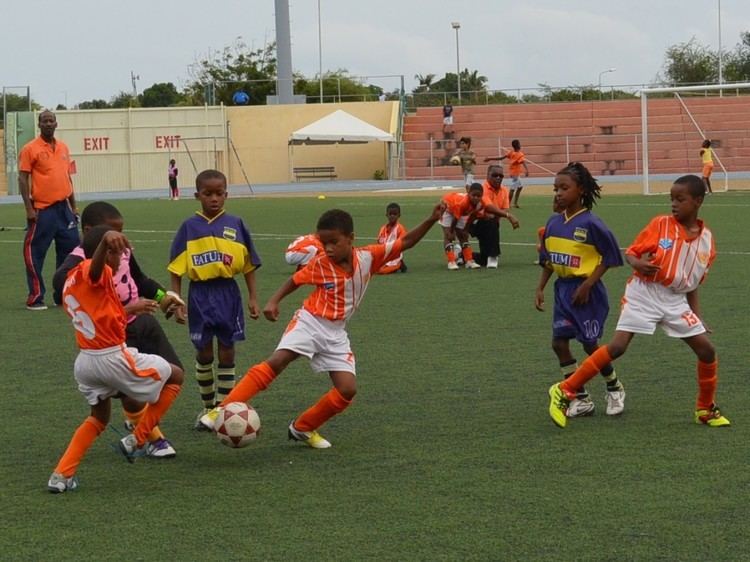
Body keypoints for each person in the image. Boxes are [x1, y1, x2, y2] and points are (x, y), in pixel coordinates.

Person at [199, 203, 444, 448]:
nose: (327, 248)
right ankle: (221, 410)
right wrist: (274, 301)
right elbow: (294, 280)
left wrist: (432, 219)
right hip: (310, 321)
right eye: (323, 242)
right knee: (279, 360)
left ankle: (302, 428)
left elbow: (407, 241)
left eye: (333, 242)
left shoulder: (370, 257)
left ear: (351, 238)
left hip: (336, 333)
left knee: (347, 390)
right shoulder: (320, 264)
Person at [548, 174, 730, 429]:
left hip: (675, 300)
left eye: (680, 199)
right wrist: (639, 264)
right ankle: (565, 390)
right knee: (619, 346)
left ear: (698, 201)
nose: (674, 204)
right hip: (644, 292)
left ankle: (705, 409)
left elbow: (694, 283)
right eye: (671, 199)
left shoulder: (707, 241)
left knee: (707, 351)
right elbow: (631, 254)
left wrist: (696, 314)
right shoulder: (661, 225)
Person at [47, 225, 184, 493]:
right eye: (117, 253)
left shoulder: (71, 280)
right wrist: (104, 247)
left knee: (98, 419)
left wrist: (133, 307)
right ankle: (138, 438)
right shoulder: (93, 271)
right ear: (105, 252)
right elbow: (95, 269)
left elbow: (103, 315)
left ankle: (61, 474)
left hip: (86, 362)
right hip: (111, 357)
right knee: (176, 375)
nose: (122, 258)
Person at [168, 169, 262, 429]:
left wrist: (253, 298)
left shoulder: (236, 224)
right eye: (208, 194)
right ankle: (208, 407)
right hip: (199, 294)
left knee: (228, 350)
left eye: (219, 194)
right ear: (197, 195)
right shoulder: (189, 227)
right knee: (204, 351)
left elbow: (249, 266)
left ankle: (224, 407)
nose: (214, 199)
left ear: (226, 195)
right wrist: (176, 300)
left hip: (228, 293)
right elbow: (176, 269)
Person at [534, 163, 625, 418]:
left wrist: (588, 283)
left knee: (590, 345)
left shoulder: (592, 223)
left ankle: (614, 387)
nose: (558, 193)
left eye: (564, 188)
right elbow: (549, 260)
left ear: (581, 190)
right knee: (558, 343)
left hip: (587, 292)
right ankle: (580, 397)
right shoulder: (552, 223)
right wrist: (540, 287)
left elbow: (611, 257)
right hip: (562, 291)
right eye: (556, 189)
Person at [19, 110, 80, 311]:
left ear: (56, 123)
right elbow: (22, 178)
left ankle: (62, 295)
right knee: (34, 253)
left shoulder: (63, 147)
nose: (48, 124)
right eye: (44, 121)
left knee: (71, 252)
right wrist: (29, 208)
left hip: (64, 209)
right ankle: (35, 297)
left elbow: (67, 177)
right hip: (43, 210)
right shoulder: (30, 149)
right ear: (39, 125)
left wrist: (74, 206)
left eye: (51, 120)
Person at [440, 183, 515, 270]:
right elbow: (455, 219)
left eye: (478, 196)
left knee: (463, 236)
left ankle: (469, 260)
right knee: (448, 236)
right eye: (473, 195)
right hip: (447, 209)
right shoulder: (462, 203)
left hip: (461, 213)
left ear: (482, 195)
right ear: (469, 194)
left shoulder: (481, 204)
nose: (476, 198)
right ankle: (451, 261)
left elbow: (472, 216)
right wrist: (452, 231)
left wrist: (465, 229)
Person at [468, 165, 520, 268]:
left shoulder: (504, 190)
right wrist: (508, 216)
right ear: (487, 175)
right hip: (474, 223)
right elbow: (488, 207)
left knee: (483, 259)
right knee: (491, 219)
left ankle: (461, 254)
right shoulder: (482, 189)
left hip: (491, 226)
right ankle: (493, 256)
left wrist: (500, 213)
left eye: (501, 176)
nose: (498, 178)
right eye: (495, 175)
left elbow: (505, 208)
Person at [485, 139, 529, 208]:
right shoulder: (520, 154)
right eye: (519, 144)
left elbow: (501, 158)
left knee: (520, 187)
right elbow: (523, 162)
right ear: (518, 145)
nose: (520, 145)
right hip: (515, 174)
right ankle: (508, 203)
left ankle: (515, 203)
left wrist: (490, 158)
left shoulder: (511, 153)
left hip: (513, 173)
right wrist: (527, 170)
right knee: (513, 188)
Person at [376, 202, 408, 274]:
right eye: (390, 214)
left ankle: (399, 264)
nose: (392, 216)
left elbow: (402, 244)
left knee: (381, 271)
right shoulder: (383, 229)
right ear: (386, 215)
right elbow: (379, 242)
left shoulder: (400, 229)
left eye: (395, 214)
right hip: (384, 256)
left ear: (399, 215)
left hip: (394, 257)